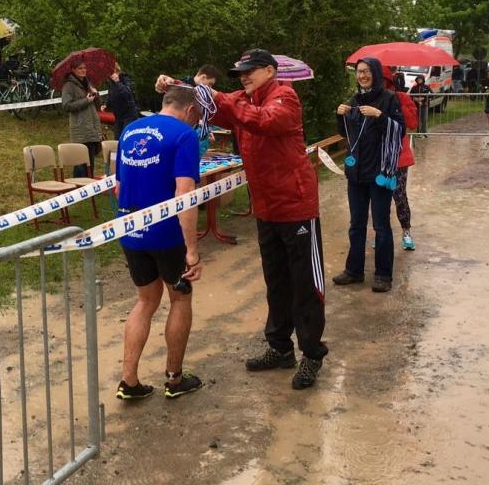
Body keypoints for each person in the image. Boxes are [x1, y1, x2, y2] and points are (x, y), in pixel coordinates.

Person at [157, 49, 327, 390]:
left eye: (250, 71)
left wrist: (221, 98)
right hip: (266, 207)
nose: (244, 77)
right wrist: (173, 84)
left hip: (295, 206)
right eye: (239, 73)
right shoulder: (242, 99)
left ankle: (311, 354)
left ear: (270, 71)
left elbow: (263, 120)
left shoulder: (285, 98)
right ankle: (280, 348)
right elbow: (211, 103)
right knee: (276, 282)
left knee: (305, 285)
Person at [115, 85, 205, 400]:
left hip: (130, 229)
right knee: (180, 300)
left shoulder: (129, 130)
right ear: (190, 110)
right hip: (167, 235)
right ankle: (174, 379)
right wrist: (192, 250)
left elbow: (118, 186)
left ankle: (129, 381)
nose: (197, 122)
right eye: (198, 116)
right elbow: (185, 195)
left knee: (145, 301)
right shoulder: (184, 135)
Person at [333, 57, 405, 292]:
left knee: (381, 225)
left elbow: (400, 130)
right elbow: (346, 134)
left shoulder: (389, 99)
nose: (362, 75)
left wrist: (380, 116)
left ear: (375, 73)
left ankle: (383, 275)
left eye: (366, 71)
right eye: (358, 72)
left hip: (379, 171)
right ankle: (354, 271)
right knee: (356, 224)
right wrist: (339, 115)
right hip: (356, 173)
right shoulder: (354, 100)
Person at [387, 73, 418, 251]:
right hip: (377, 158)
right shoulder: (371, 98)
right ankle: (381, 232)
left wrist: (399, 103)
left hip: (399, 157)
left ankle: (406, 230)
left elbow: (413, 123)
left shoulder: (402, 98)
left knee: (399, 196)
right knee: (378, 198)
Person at [61, 58, 103, 177]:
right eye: (80, 68)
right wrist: (86, 101)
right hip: (80, 129)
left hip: (92, 127)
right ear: (73, 70)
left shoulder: (88, 84)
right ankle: (79, 185)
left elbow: (98, 106)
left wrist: (96, 94)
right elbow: (66, 106)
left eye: (85, 68)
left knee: (90, 162)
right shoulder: (68, 85)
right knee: (81, 162)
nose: (83, 70)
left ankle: (88, 184)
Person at [101, 61, 140, 139]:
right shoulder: (111, 82)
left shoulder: (125, 78)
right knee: (117, 139)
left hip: (129, 115)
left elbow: (128, 94)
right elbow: (110, 95)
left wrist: (118, 82)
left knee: (126, 138)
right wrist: (106, 104)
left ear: (116, 69)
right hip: (118, 116)